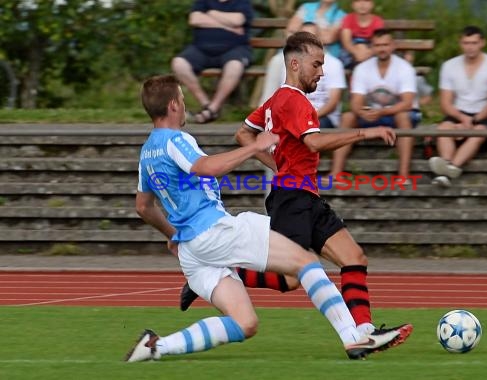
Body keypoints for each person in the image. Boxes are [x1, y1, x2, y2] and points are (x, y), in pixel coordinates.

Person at [125, 74, 397, 363]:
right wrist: (254, 147)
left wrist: (173, 236)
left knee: (245, 323)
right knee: (305, 262)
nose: (184, 105)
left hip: (193, 251)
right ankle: (354, 338)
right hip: (215, 231)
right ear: (172, 106)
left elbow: (144, 206)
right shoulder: (175, 140)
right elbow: (206, 167)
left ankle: (156, 346)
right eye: (182, 99)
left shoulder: (147, 152)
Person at [229, 31, 412, 344]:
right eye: (317, 64)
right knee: (288, 280)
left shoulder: (276, 100)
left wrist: (277, 164)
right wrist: (364, 134)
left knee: (354, 258)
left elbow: (243, 134)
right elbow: (312, 142)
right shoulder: (295, 100)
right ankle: (224, 273)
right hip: (292, 200)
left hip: (305, 196)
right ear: (296, 64)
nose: (322, 72)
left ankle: (366, 333)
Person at [328, 28, 419, 179]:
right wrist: (361, 112)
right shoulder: (362, 68)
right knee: (348, 117)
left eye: (385, 45)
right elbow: (355, 102)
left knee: (403, 116)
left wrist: (382, 112)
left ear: (392, 46)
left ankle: (403, 175)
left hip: (398, 115)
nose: (382, 49)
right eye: (378, 45)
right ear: (372, 47)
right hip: (372, 114)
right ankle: (336, 173)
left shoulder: (405, 68)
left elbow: (407, 103)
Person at [429, 26, 487, 187]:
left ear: (482, 43)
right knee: (444, 129)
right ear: (460, 44)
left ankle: (450, 168)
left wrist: (473, 120)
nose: (470, 47)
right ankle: (448, 164)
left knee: (478, 133)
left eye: (474, 43)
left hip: (485, 114)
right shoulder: (449, 66)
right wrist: (462, 119)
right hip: (459, 112)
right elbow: (445, 102)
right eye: (466, 43)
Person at [171, 0, 254, 124]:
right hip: (200, 49)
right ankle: (206, 105)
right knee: (178, 63)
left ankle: (212, 108)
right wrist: (227, 25)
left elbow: (238, 20)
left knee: (235, 66)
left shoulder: (241, 2)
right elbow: (194, 19)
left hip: (235, 49)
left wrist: (211, 12)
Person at [260, 22, 347, 129]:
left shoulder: (334, 64)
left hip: (322, 116)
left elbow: (333, 103)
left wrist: (310, 116)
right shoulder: (291, 64)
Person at [339, 0, 385, 68]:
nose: (362, 4)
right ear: (353, 5)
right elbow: (346, 42)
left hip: (371, 50)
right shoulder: (348, 19)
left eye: (366, 1)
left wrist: (366, 54)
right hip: (352, 50)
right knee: (343, 58)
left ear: (372, 4)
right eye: (358, 1)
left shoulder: (377, 21)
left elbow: (379, 41)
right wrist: (356, 53)